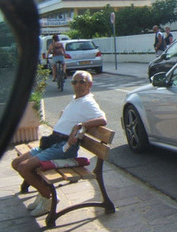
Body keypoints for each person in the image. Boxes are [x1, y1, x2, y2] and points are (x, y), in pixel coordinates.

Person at [11, 70, 107, 217]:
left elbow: (102, 119)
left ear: (90, 84)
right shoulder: (77, 99)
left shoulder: (88, 101)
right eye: (75, 82)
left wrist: (81, 125)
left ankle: (47, 197)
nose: (78, 85)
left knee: (24, 168)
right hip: (52, 143)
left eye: (82, 82)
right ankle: (44, 191)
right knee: (17, 162)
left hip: (63, 148)